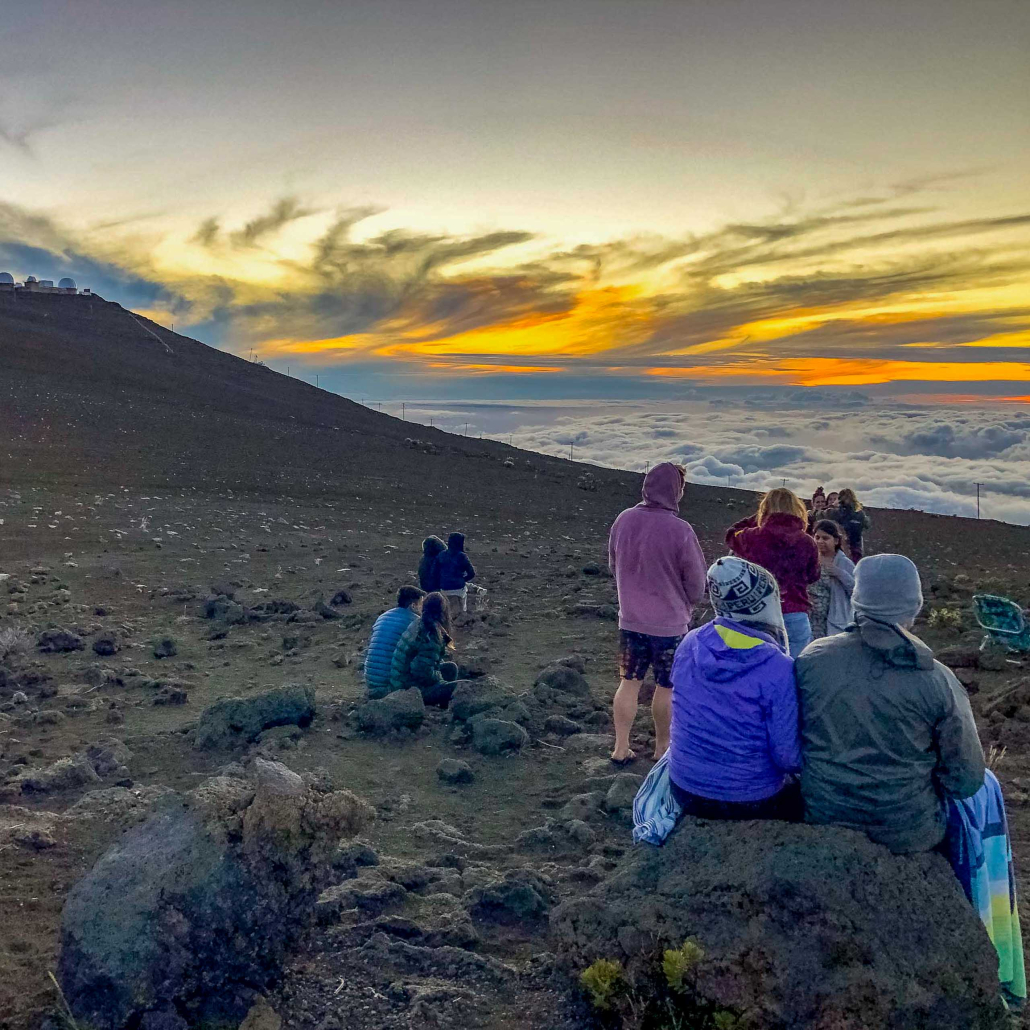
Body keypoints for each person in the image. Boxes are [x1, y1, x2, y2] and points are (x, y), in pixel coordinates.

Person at [796, 554, 985, 854]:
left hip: (823, 817)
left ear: (857, 600)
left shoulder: (810, 659)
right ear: (914, 607)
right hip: (908, 832)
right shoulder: (938, 679)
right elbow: (966, 780)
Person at [667, 556, 802, 821]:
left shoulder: (690, 643)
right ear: (766, 603)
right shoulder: (778, 667)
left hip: (683, 787)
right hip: (749, 799)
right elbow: (788, 758)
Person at [608, 462, 707, 765]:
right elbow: (696, 583)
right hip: (670, 626)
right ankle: (662, 747)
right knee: (666, 686)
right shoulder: (681, 531)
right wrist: (688, 604)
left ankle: (621, 746)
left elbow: (614, 564)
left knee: (629, 683)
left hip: (631, 620)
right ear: (676, 491)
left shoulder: (623, 520)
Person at [725, 487, 821, 657]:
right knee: (796, 672)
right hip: (795, 612)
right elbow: (813, 575)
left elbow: (731, 535)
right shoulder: (808, 542)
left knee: (757, 669)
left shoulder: (750, 537)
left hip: (759, 613)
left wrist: (756, 518)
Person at [389, 591, 459, 706]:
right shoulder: (430, 635)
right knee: (461, 687)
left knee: (451, 668)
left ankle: (443, 705)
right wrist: (440, 679)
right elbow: (421, 672)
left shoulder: (418, 623)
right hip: (410, 690)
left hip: (401, 682)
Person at [364, 586, 425, 699]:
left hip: (370, 682)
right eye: (421, 604)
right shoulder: (415, 621)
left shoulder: (382, 617)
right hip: (390, 685)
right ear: (413, 605)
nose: (422, 608)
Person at [808, 520, 855, 639]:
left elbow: (856, 591)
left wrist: (839, 573)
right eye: (817, 537)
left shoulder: (844, 563)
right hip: (810, 617)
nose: (820, 541)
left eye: (825, 538)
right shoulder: (810, 559)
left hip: (833, 621)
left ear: (836, 541)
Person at [826, 487, 870, 562]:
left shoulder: (836, 513)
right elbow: (867, 525)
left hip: (840, 548)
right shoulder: (860, 514)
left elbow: (820, 515)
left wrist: (832, 506)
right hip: (856, 548)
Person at [435, 532, 476, 613]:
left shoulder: (441, 555)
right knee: (461, 611)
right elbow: (471, 573)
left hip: (444, 588)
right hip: (458, 589)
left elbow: (435, 572)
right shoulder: (461, 556)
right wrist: (462, 580)